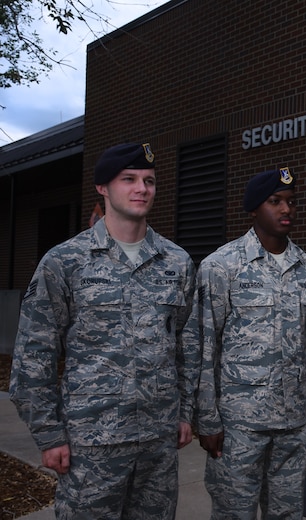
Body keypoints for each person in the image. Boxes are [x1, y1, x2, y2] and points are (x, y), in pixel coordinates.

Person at [10, 142, 197, 519]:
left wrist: (185, 413)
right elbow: (33, 357)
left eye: (149, 180)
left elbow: (186, 347)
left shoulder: (176, 262)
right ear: (102, 188)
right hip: (91, 445)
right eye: (128, 179)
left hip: (157, 443)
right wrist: (49, 434)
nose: (142, 188)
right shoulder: (65, 262)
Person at [189, 167, 306, 519]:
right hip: (238, 425)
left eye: (291, 202)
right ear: (253, 209)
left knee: (288, 512)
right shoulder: (221, 266)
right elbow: (204, 347)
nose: (286, 210)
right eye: (275, 201)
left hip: (292, 423)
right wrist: (208, 420)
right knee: (235, 512)